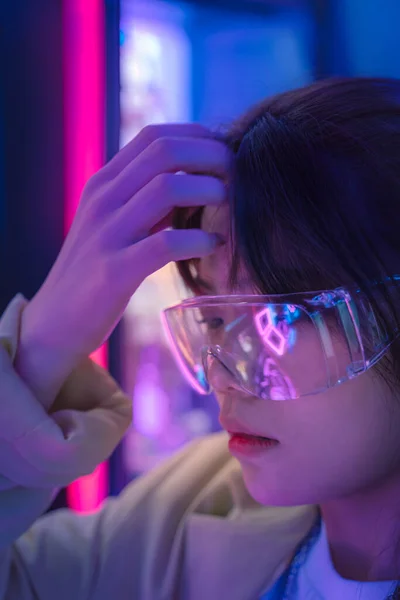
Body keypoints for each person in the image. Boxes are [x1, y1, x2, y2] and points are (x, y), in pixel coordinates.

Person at [1, 76, 400, 600]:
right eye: (213, 319)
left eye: (283, 316)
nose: (225, 374)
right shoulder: (185, 508)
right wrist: (42, 346)